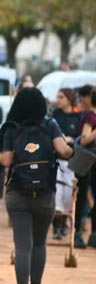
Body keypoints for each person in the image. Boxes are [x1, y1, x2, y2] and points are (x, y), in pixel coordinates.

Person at [0, 87, 72, 284]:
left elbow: (6, 160)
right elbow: (63, 151)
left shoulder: (11, 127)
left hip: (17, 194)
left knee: (22, 246)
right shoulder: (50, 125)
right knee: (39, 243)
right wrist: (70, 147)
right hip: (45, 194)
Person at [50, 89, 80, 240]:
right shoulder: (55, 116)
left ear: (69, 99)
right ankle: (56, 226)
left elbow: (81, 137)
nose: (58, 99)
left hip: (71, 161)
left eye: (61, 97)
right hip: (56, 159)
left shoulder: (78, 117)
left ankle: (64, 224)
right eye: (58, 96)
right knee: (57, 193)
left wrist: (71, 139)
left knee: (69, 195)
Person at [75, 86, 96, 248]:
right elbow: (84, 139)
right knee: (82, 199)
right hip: (88, 162)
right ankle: (77, 234)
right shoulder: (91, 116)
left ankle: (93, 235)